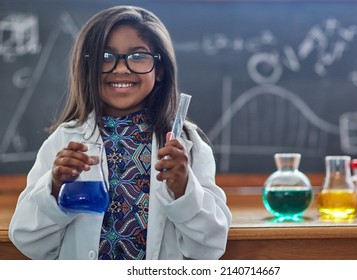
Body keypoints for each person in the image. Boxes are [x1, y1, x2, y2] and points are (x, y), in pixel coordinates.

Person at [8, 5, 231, 260]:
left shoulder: (187, 144)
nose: (121, 69)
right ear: (87, 67)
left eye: (138, 56)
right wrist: (54, 189)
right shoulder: (64, 141)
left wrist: (184, 190)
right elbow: (27, 240)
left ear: (159, 70)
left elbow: (210, 247)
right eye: (105, 56)